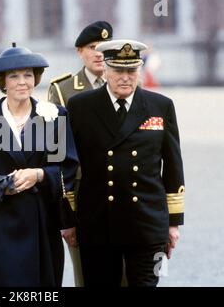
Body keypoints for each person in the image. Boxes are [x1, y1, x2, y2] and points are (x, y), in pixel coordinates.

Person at [0, 43, 79, 286]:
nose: (22, 82)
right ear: (2, 82)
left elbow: (68, 166)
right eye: (14, 76)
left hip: (41, 223)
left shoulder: (54, 116)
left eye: (28, 75)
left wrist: (40, 174)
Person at [67, 39, 185, 287]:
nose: (125, 77)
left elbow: (173, 167)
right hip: (97, 222)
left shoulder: (160, 106)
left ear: (139, 70)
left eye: (131, 70)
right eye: (118, 70)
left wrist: (173, 222)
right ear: (106, 69)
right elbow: (66, 167)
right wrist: (67, 219)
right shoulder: (81, 107)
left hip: (148, 223)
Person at [48, 20, 113, 287]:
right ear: (79, 52)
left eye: (104, 48)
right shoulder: (63, 91)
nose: (99, 54)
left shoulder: (127, 83)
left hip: (122, 198)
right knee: (86, 276)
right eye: (92, 47)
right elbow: (56, 154)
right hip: (83, 198)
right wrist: (65, 213)